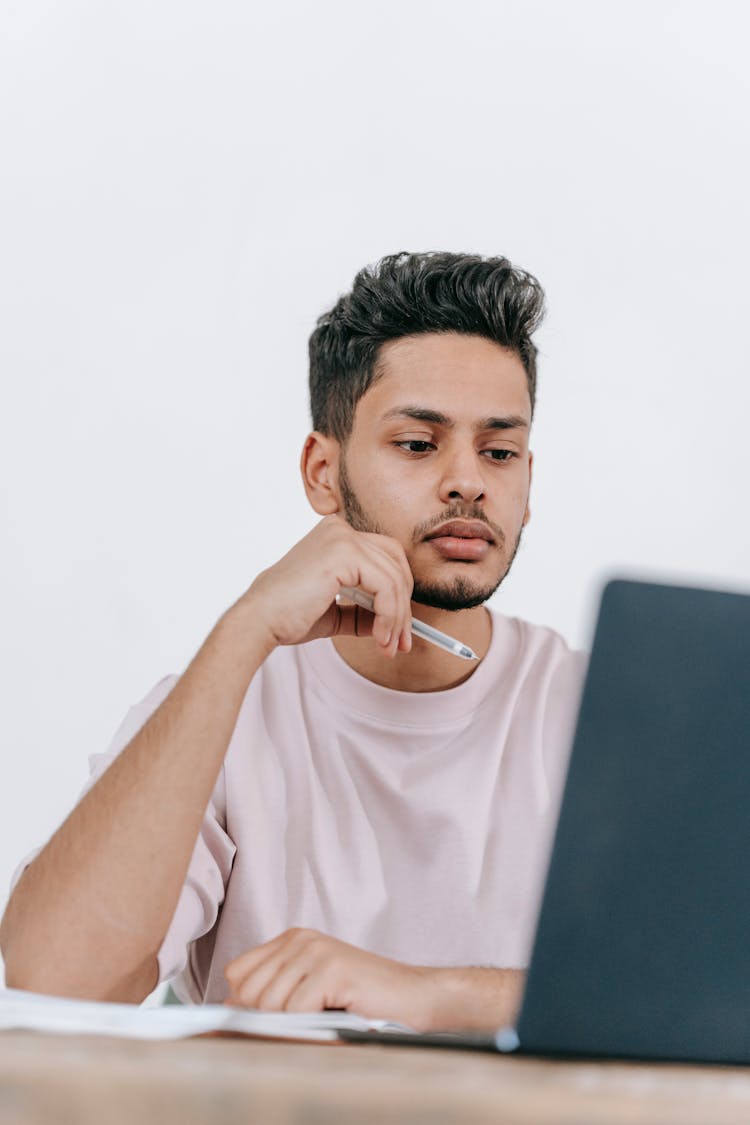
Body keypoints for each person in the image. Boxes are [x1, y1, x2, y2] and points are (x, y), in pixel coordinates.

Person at [1, 251, 586, 1032]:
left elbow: (699, 990)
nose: (468, 481)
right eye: (418, 444)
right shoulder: (227, 703)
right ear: (323, 471)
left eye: (499, 451)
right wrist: (246, 627)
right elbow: (43, 986)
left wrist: (421, 992)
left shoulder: (597, 707)